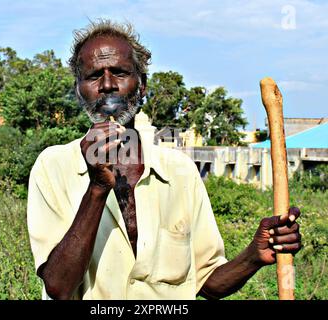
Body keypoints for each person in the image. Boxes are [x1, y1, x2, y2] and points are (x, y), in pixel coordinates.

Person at [27, 20, 302, 300]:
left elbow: (207, 283)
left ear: (142, 86)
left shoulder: (180, 171)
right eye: (94, 76)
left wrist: (254, 256)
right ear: (78, 90)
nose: (108, 85)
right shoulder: (53, 167)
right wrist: (97, 188)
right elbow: (58, 287)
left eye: (120, 73)